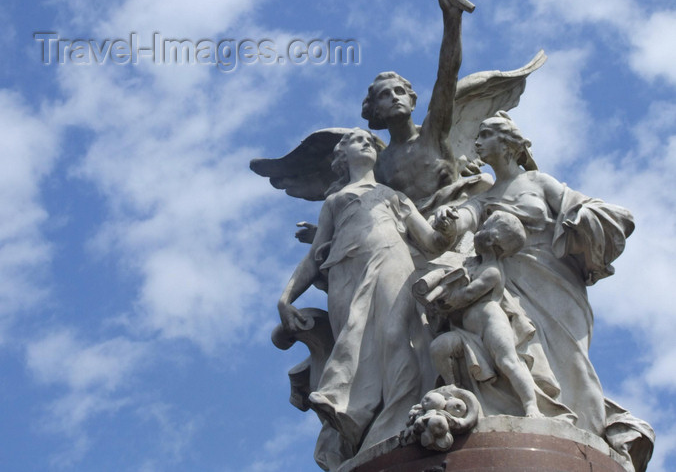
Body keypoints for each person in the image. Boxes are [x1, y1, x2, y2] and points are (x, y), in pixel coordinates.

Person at [432, 112, 654, 466]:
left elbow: (591, 209)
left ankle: (589, 432)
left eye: (486, 134)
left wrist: (580, 219)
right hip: (507, 281)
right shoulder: (486, 196)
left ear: (507, 145)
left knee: (572, 359)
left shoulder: (538, 181)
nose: (477, 142)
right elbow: (466, 217)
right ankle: (532, 413)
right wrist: (448, 219)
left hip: (553, 277)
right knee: (521, 349)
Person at [277, 128, 453, 466]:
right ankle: (365, 427)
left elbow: (431, 242)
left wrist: (447, 228)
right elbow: (314, 257)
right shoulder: (336, 201)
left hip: (392, 264)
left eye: (370, 140)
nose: (367, 142)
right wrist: (285, 299)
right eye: (357, 140)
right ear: (341, 156)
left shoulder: (392, 196)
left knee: (395, 338)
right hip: (345, 274)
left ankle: (401, 422)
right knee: (354, 346)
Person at [361, 0, 491, 209]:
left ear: (412, 102)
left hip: (455, 218)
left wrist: (452, 19)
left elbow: (447, 74)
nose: (394, 97)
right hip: (412, 232)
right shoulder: (378, 164)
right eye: (384, 95)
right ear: (375, 111)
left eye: (399, 91)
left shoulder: (433, 133)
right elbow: (367, 206)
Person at [429, 211, 543, 418]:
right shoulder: (473, 264)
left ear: (491, 239)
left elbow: (468, 295)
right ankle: (453, 390)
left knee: (508, 362)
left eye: (483, 229)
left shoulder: (492, 271)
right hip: (466, 331)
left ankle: (531, 406)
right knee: (439, 347)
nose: (477, 232)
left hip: (491, 323)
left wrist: (445, 301)